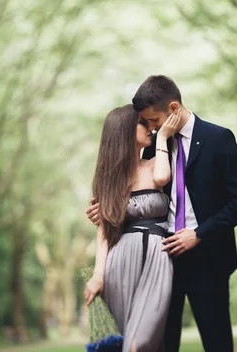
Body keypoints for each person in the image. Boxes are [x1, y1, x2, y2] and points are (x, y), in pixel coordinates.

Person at [86, 75, 237, 351]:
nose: (150, 129)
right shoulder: (153, 145)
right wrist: (103, 208)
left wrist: (198, 234)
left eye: (153, 121)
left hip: (208, 257)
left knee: (217, 341)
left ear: (173, 109)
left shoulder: (218, 138)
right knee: (163, 342)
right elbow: (131, 188)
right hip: (160, 258)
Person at [83, 104, 181, 352]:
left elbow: (161, 179)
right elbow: (104, 232)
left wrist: (163, 137)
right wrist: (98, 275)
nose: (150, 127)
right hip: (120, 261)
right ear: (124, 130)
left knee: (140, 343)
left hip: (157, 257)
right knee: (123, 340)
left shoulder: (154, 165)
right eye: (143, 123)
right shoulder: (107, 178)